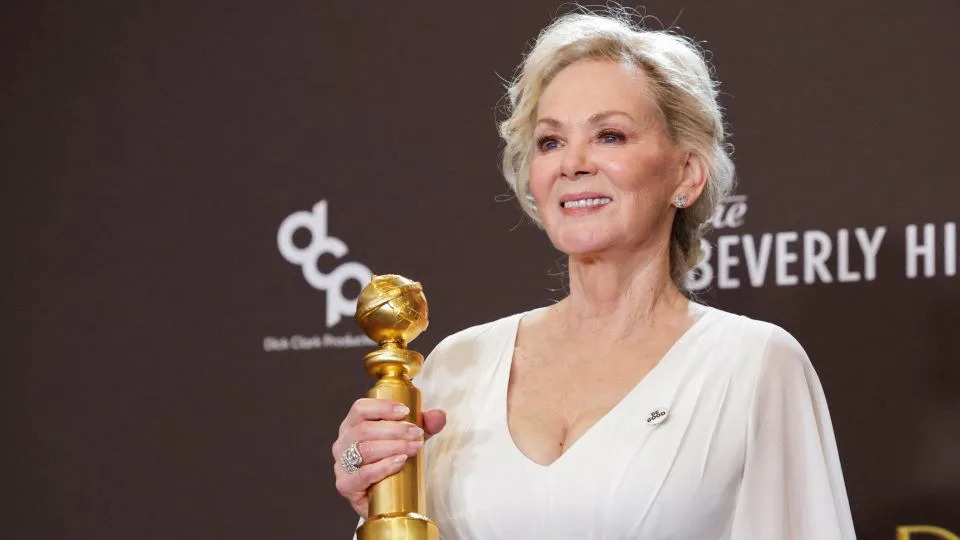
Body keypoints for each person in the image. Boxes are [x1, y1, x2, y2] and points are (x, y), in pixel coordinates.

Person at [332, 9, 856, 539]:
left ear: (687, 174)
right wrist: (372, 497)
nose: (573, 163)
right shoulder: (456, 366)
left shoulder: (754, 364)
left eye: (609, 136)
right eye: (550, 142)